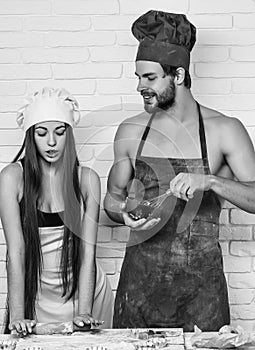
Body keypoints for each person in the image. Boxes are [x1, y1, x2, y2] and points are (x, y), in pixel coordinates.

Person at [104, 10, 255, 331]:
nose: (140, 87)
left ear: (179, 75)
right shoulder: (131, 131)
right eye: (138, 77)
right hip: (138, 290)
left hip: (203, 296)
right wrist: (123, 213)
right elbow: (111, 200)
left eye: (150, 78)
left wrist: (211, 180)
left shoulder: (224, 130)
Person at [0, 87, 114, 335]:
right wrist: (18, 316)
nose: (51, 142)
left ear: (69, 134)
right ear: (31, 136)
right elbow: (16, 252)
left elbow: (88, 252)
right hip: (34, 297)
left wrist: (85, 312)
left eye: (60, 132)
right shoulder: (12, 178)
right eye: (42, 133)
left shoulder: (87, 179)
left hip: (84, 294)